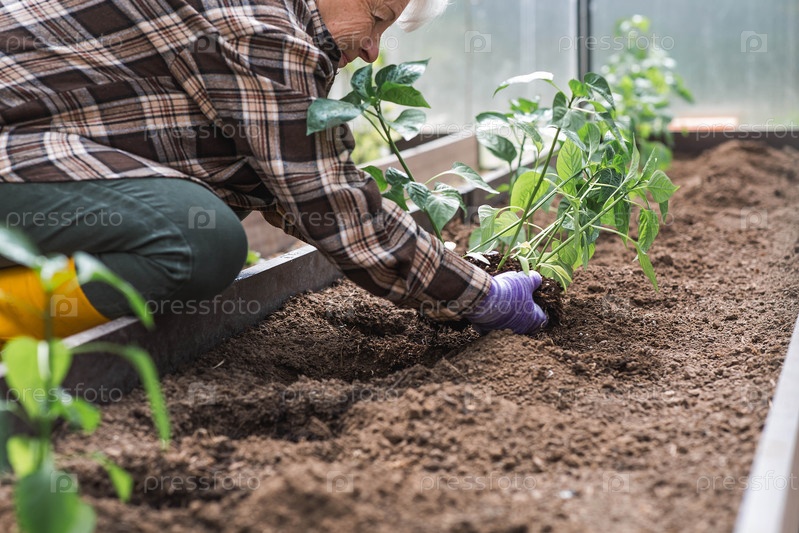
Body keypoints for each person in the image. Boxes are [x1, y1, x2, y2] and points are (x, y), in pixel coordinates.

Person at [0, 0, 546, 341]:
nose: (373, 51)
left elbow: (289, 187)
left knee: (197, 219)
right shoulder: (260, 28)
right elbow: (328, 202)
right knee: (196, 241)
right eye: (377, 20)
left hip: (23, 153)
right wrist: (478, 295)